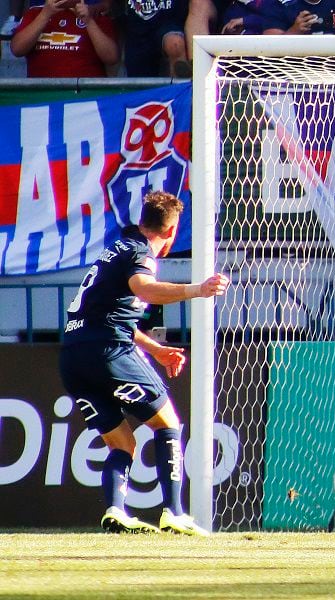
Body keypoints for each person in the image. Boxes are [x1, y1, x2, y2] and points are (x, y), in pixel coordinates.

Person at [59, 191, 230, 535]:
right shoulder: (140, 253)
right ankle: (174, 512)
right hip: (109, 353)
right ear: (170, 231)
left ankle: (115, 511)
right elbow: (144, 288)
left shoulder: (115, 251)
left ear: (142, 221)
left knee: (123, 443)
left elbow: (111, 316)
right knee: (167, 422)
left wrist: (156, 350)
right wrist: (198, 289)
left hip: (73, 358)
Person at [10, 0, 119, 78]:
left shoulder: (94, 14)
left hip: (85, 97)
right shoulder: (35, 13)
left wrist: (89, 21)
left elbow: (111, 58)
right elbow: (17, 49)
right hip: (42, 96)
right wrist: (45, 15)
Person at [121, 0, 190, 77]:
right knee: (140, 82)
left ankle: (181, 87)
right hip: (137, 31)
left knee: (175, 44)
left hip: (171, 22)